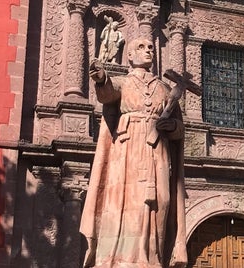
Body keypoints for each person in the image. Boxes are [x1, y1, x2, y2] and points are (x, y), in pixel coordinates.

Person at [80, 38, 188, 268]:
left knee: (162, 200)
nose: (148, 51)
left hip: (158, 150)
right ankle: (124, 259)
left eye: (151, 48)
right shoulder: (124, 82)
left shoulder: (164, 88)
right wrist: (101, 78)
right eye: (141, 47)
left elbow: (180, 129)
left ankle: (153, 257)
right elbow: (107, 93)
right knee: (130, 201)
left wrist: (172, 127)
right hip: (128, 150)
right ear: (129, 56)